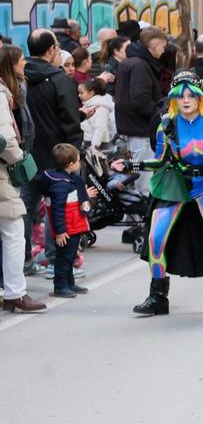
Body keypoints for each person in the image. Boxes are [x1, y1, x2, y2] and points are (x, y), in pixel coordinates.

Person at [115, 72, 203, 317]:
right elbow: (160, 161)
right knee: (155, 238)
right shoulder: (167, 124)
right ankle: (158, 297)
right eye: (180, 95)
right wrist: (130, 166)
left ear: (199, 97)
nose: (185, 100)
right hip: (176, 187)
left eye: (191, 95)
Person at [23, 29, 84, 269]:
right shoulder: (60, 80)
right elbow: (70, 119)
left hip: (26, 155)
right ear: (51, 50)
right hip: (58, 154)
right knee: (59, 206)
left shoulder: (17, 76)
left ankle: (23, 260)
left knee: (25, 209)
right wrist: (74, 151)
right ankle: (56, 261)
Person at [0, 45, 45, 312]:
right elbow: (5, 139)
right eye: (21, 62)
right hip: (2, 174)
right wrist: (20, 159)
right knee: (14, 231)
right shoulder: (1, 94)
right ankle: (16, 292)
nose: (24, 65)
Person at [38, 143, 94, 298]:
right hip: (67, 228)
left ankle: (69, 283)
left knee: (69, 257)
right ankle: (60, 286)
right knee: (63, 258)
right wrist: (60, 231)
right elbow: (57, 210)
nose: (79, 163)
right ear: (70, 164)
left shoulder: (68, 180)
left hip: (73, 226)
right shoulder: (61, 185)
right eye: (77, 160)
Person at [115, 27, 167, 191]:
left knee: (134, 176)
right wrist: (159, 115)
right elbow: (140, 100)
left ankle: (135, 214)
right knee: (143, 180)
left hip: (131, 128)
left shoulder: (130, 62)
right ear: (155, 44)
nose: (164, 51)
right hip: (142, 130)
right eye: (163, 46)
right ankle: (142, 214)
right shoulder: (140, 66)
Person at [78, 78, 116, 152]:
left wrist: (94, 146)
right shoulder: (89, 105)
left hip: (97, 145)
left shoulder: (100, 108)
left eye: (81, 93)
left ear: (91, 93)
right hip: (89, 142)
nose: (79, 95)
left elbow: (100, 128)